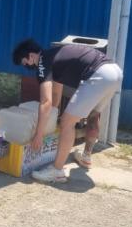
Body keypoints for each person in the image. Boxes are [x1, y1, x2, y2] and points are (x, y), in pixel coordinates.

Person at [12, 38, 123, 183]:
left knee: (67, 123)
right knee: (93, 115)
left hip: (99, 75)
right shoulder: (54, 56)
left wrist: (38, 135)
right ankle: (86, 157)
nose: (27, 66)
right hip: (114, 72)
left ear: (31, 56)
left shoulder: (42, 63)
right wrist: (51, 119)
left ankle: (57, 171)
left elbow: (46, 102)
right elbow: (56, 94)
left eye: (25, 62)